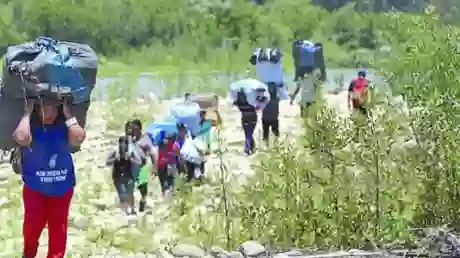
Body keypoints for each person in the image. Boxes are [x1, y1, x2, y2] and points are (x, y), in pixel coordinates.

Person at [13, 98, 85, 258]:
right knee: (31, 229)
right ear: (37, 110)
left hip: (62, 189)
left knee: (58, 231)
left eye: (52, 107)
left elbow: (78, 138)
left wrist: (68, 114)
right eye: (44, 107)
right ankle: (29, 254)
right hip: (35, 190)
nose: (48, 110)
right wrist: (26, 113)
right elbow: (22, 138)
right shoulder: (31, 127)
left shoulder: (64, 126)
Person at [106, 120, 143, 216]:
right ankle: (125, 211)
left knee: (129, 191)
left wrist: (130, 158)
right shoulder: (115, 149)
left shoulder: (134, 147)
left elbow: (139, 162)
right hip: (118, 175)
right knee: (122, 193)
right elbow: (107, 162)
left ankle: (131, 209)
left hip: (129, 173)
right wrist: (115, 159)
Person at [233, 90, 258, 155]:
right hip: (249, 118)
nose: (242, 98)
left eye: (242, 96)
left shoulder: (242, 102)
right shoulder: (242, 102)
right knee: (248, 134)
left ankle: (248, 149)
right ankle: (252, 148)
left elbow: (257, 107)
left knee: (248, 134)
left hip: (249, 118)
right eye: (241, 96)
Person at [156, 131, 181, 197]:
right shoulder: (176, 144)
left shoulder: (162, 144)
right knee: (169, 182)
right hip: (169, 165)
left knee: (166, 182)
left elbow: (158, 155)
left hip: (164, 165)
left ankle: (166, 195)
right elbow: (178, 155)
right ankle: (169, 195)